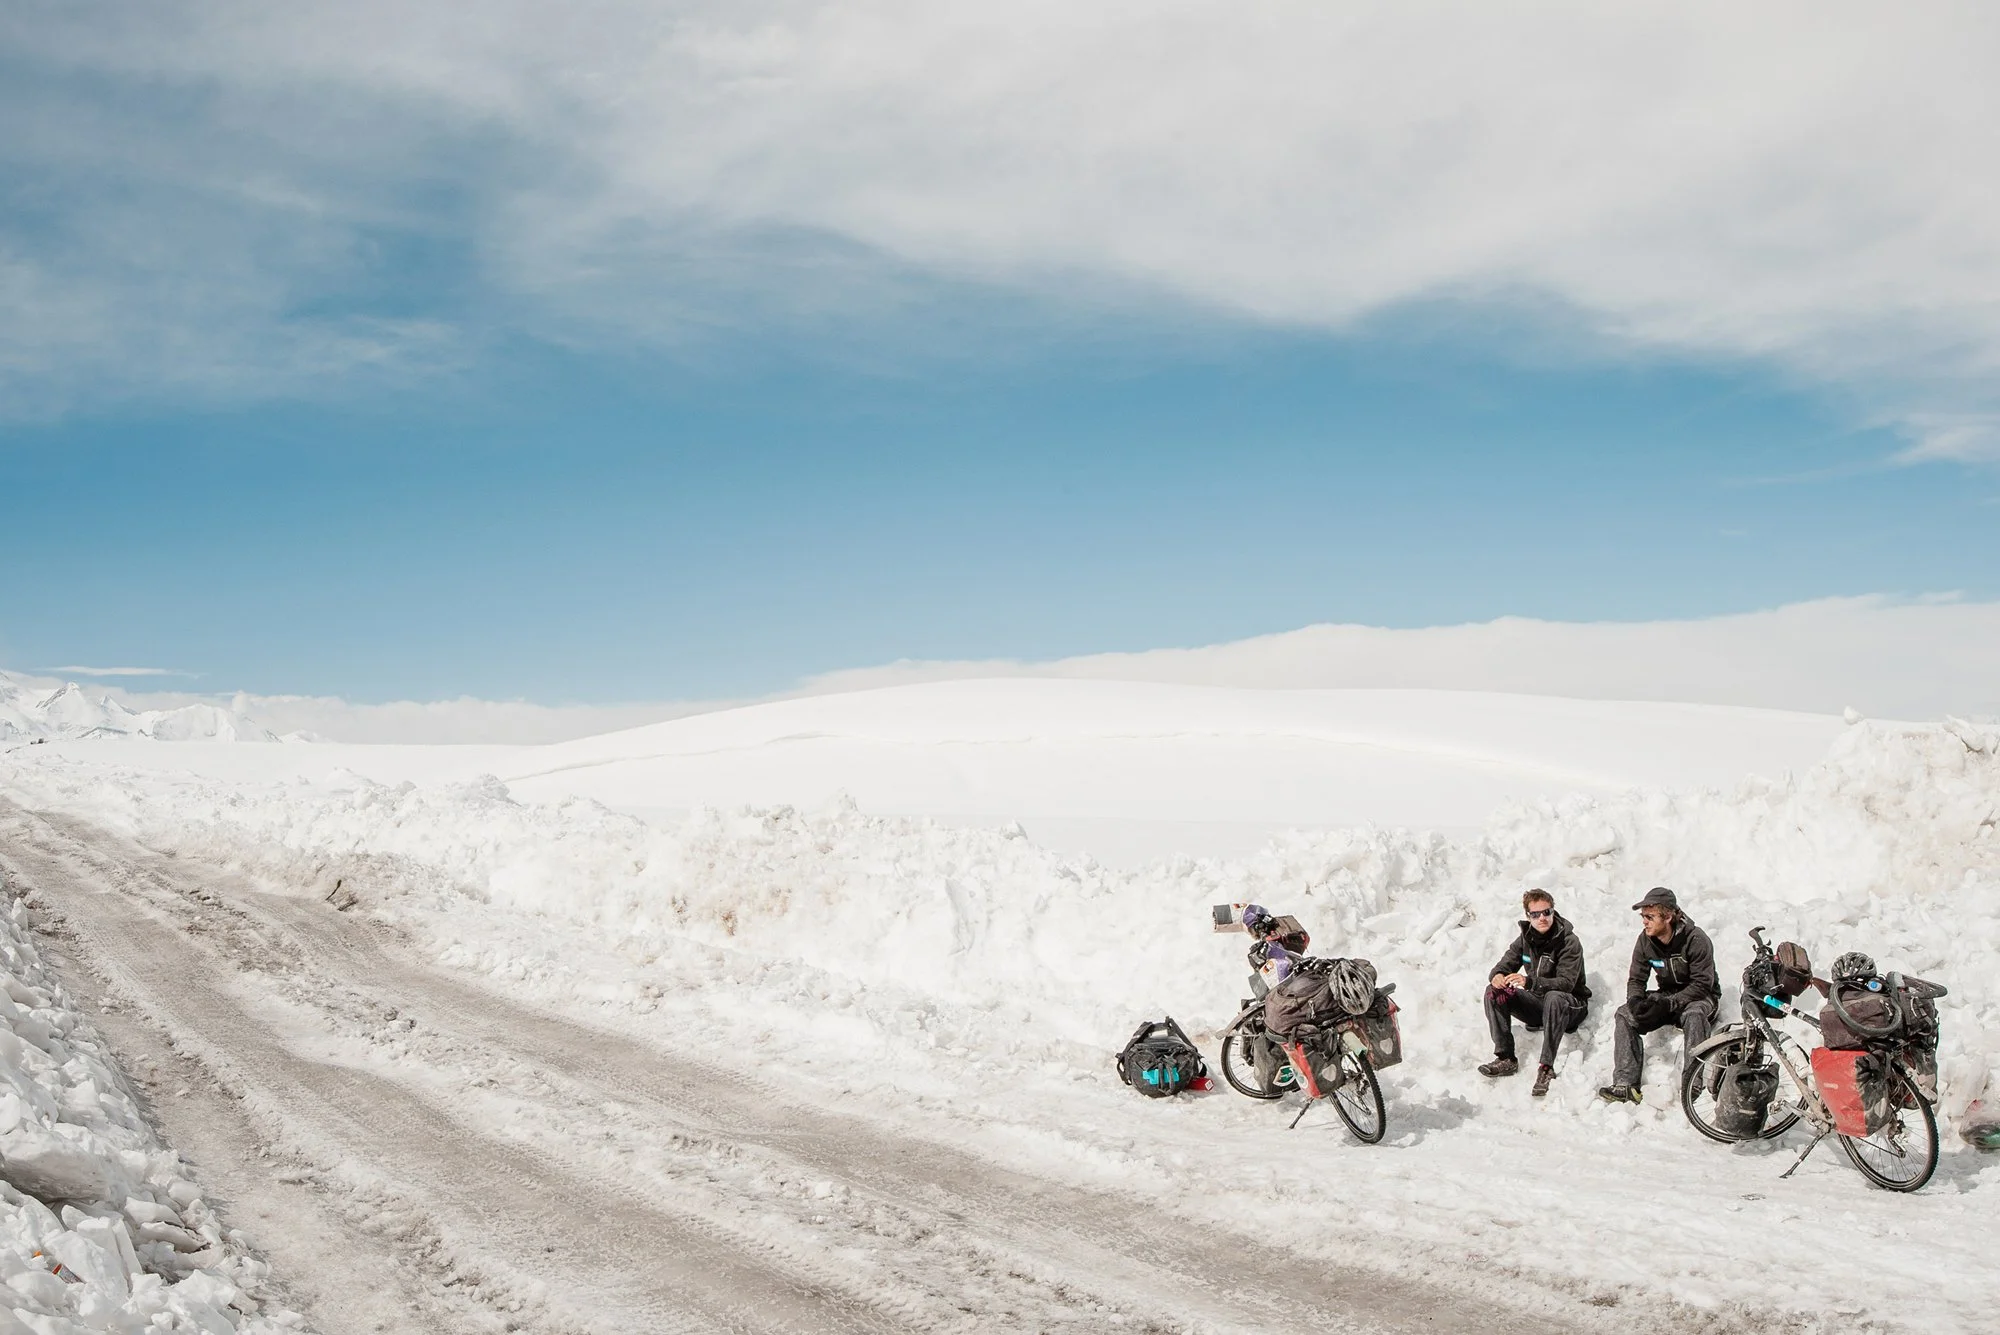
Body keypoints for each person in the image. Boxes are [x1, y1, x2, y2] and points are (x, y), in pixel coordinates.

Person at [1598, 887, 1719, 1104]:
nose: (1645, 922)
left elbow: (1702, 984)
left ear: (1668, 917)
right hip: (1667, 995)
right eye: (1643, 917)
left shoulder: (1696, 939)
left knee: (1694, 1015)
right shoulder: (1645, 940)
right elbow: (1636, 979)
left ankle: (1693, 1083)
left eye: (1650, 917)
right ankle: (1625, 1084)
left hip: (1700, 997)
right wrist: (1635, 1001)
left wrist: (1669, 1004)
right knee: (1624, 1014)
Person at [1479, 889, 1590, 1097]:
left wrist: (1530, 982)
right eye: (1535, 914)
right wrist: (1497, 976)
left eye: (1546, 912)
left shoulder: (1568, 941)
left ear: (1553, 911)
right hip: (1539, 1004)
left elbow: (1566, 983)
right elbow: (1502, 966)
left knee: (1554, 997)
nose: (1542, 918)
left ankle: (1546, 1067)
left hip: (1570, 1006)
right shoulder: (1525, 939)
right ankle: (1506, 1058)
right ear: (1528, 916)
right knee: (1493, 992)